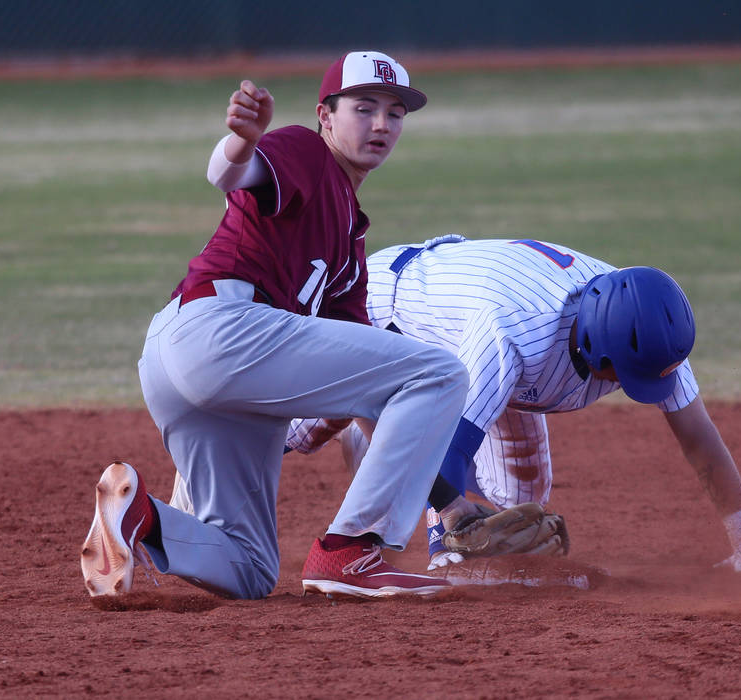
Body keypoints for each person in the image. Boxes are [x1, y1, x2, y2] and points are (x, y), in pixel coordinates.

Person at [80, 51, 476, 601]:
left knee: (250, 570)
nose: (382, 124)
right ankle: (350, 552)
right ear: (325, 115)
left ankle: (138, 516)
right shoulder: (306, 151)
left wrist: (448, 499)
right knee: (441, 371)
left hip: (189, 363)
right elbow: (227, 174)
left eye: (395, 113)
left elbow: (365, 393)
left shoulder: (349, 245)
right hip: (223, 331)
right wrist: (242, 139)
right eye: (364, 108)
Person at [280, 235, 741, 574]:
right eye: (623, 376)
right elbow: (445, 450)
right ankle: (345, 430)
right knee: (297, 433)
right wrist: (454, 519)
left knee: (521, 497)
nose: (630, 385)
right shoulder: (514, 331)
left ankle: (450, 536)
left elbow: (698, 439)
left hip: (491, 342)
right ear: (596, 346)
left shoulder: (645, 325)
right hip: (387, 313)